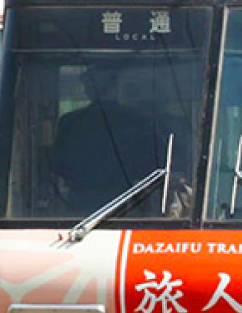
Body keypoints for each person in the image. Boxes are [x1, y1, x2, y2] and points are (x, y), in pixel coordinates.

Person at [51, 67, 172, 213]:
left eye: (88, 85)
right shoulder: (138, 120)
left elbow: (58, 165)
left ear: (89, 89)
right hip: (130, 201)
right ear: (116, 87)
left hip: (82, 203)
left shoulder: (70, 122)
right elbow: (155, 162)